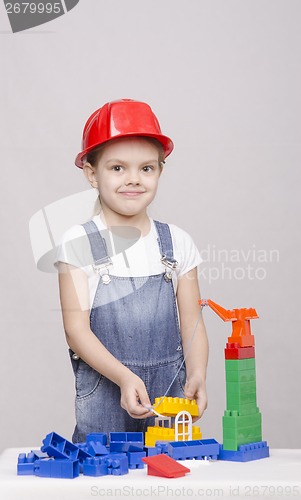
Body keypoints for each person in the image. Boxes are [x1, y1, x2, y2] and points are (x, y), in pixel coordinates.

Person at [56, 98, 208, 443]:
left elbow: (193, 324)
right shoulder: (78, 243)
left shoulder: (177, 243)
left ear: (160, 170)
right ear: (92, 173)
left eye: (146, 168)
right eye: (117, 168)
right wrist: (124, 378)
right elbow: (75, 331)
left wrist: (198, 373)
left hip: (170, 403)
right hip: (106, 406)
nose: (133, 179)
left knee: (170, 482)